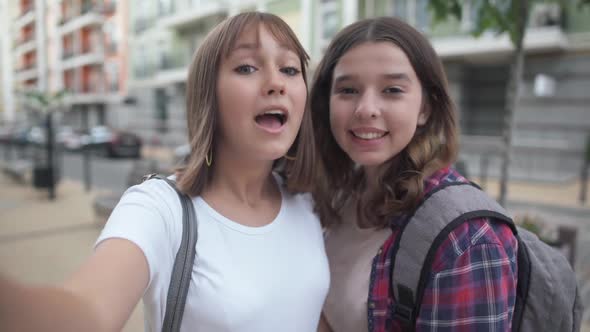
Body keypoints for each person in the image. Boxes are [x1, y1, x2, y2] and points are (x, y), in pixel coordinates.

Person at [0, 12, 329, 332]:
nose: (276, 83)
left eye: (289, 69)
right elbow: (86, 312)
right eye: (246, 67)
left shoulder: (310, 204)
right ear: (207, 95)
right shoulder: (159, 209)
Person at [311, 17, 518, 332]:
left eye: (392, 90)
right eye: (348, 90)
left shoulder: (466, 238)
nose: (366, 108)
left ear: (426, 108)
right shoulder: (338, 199)